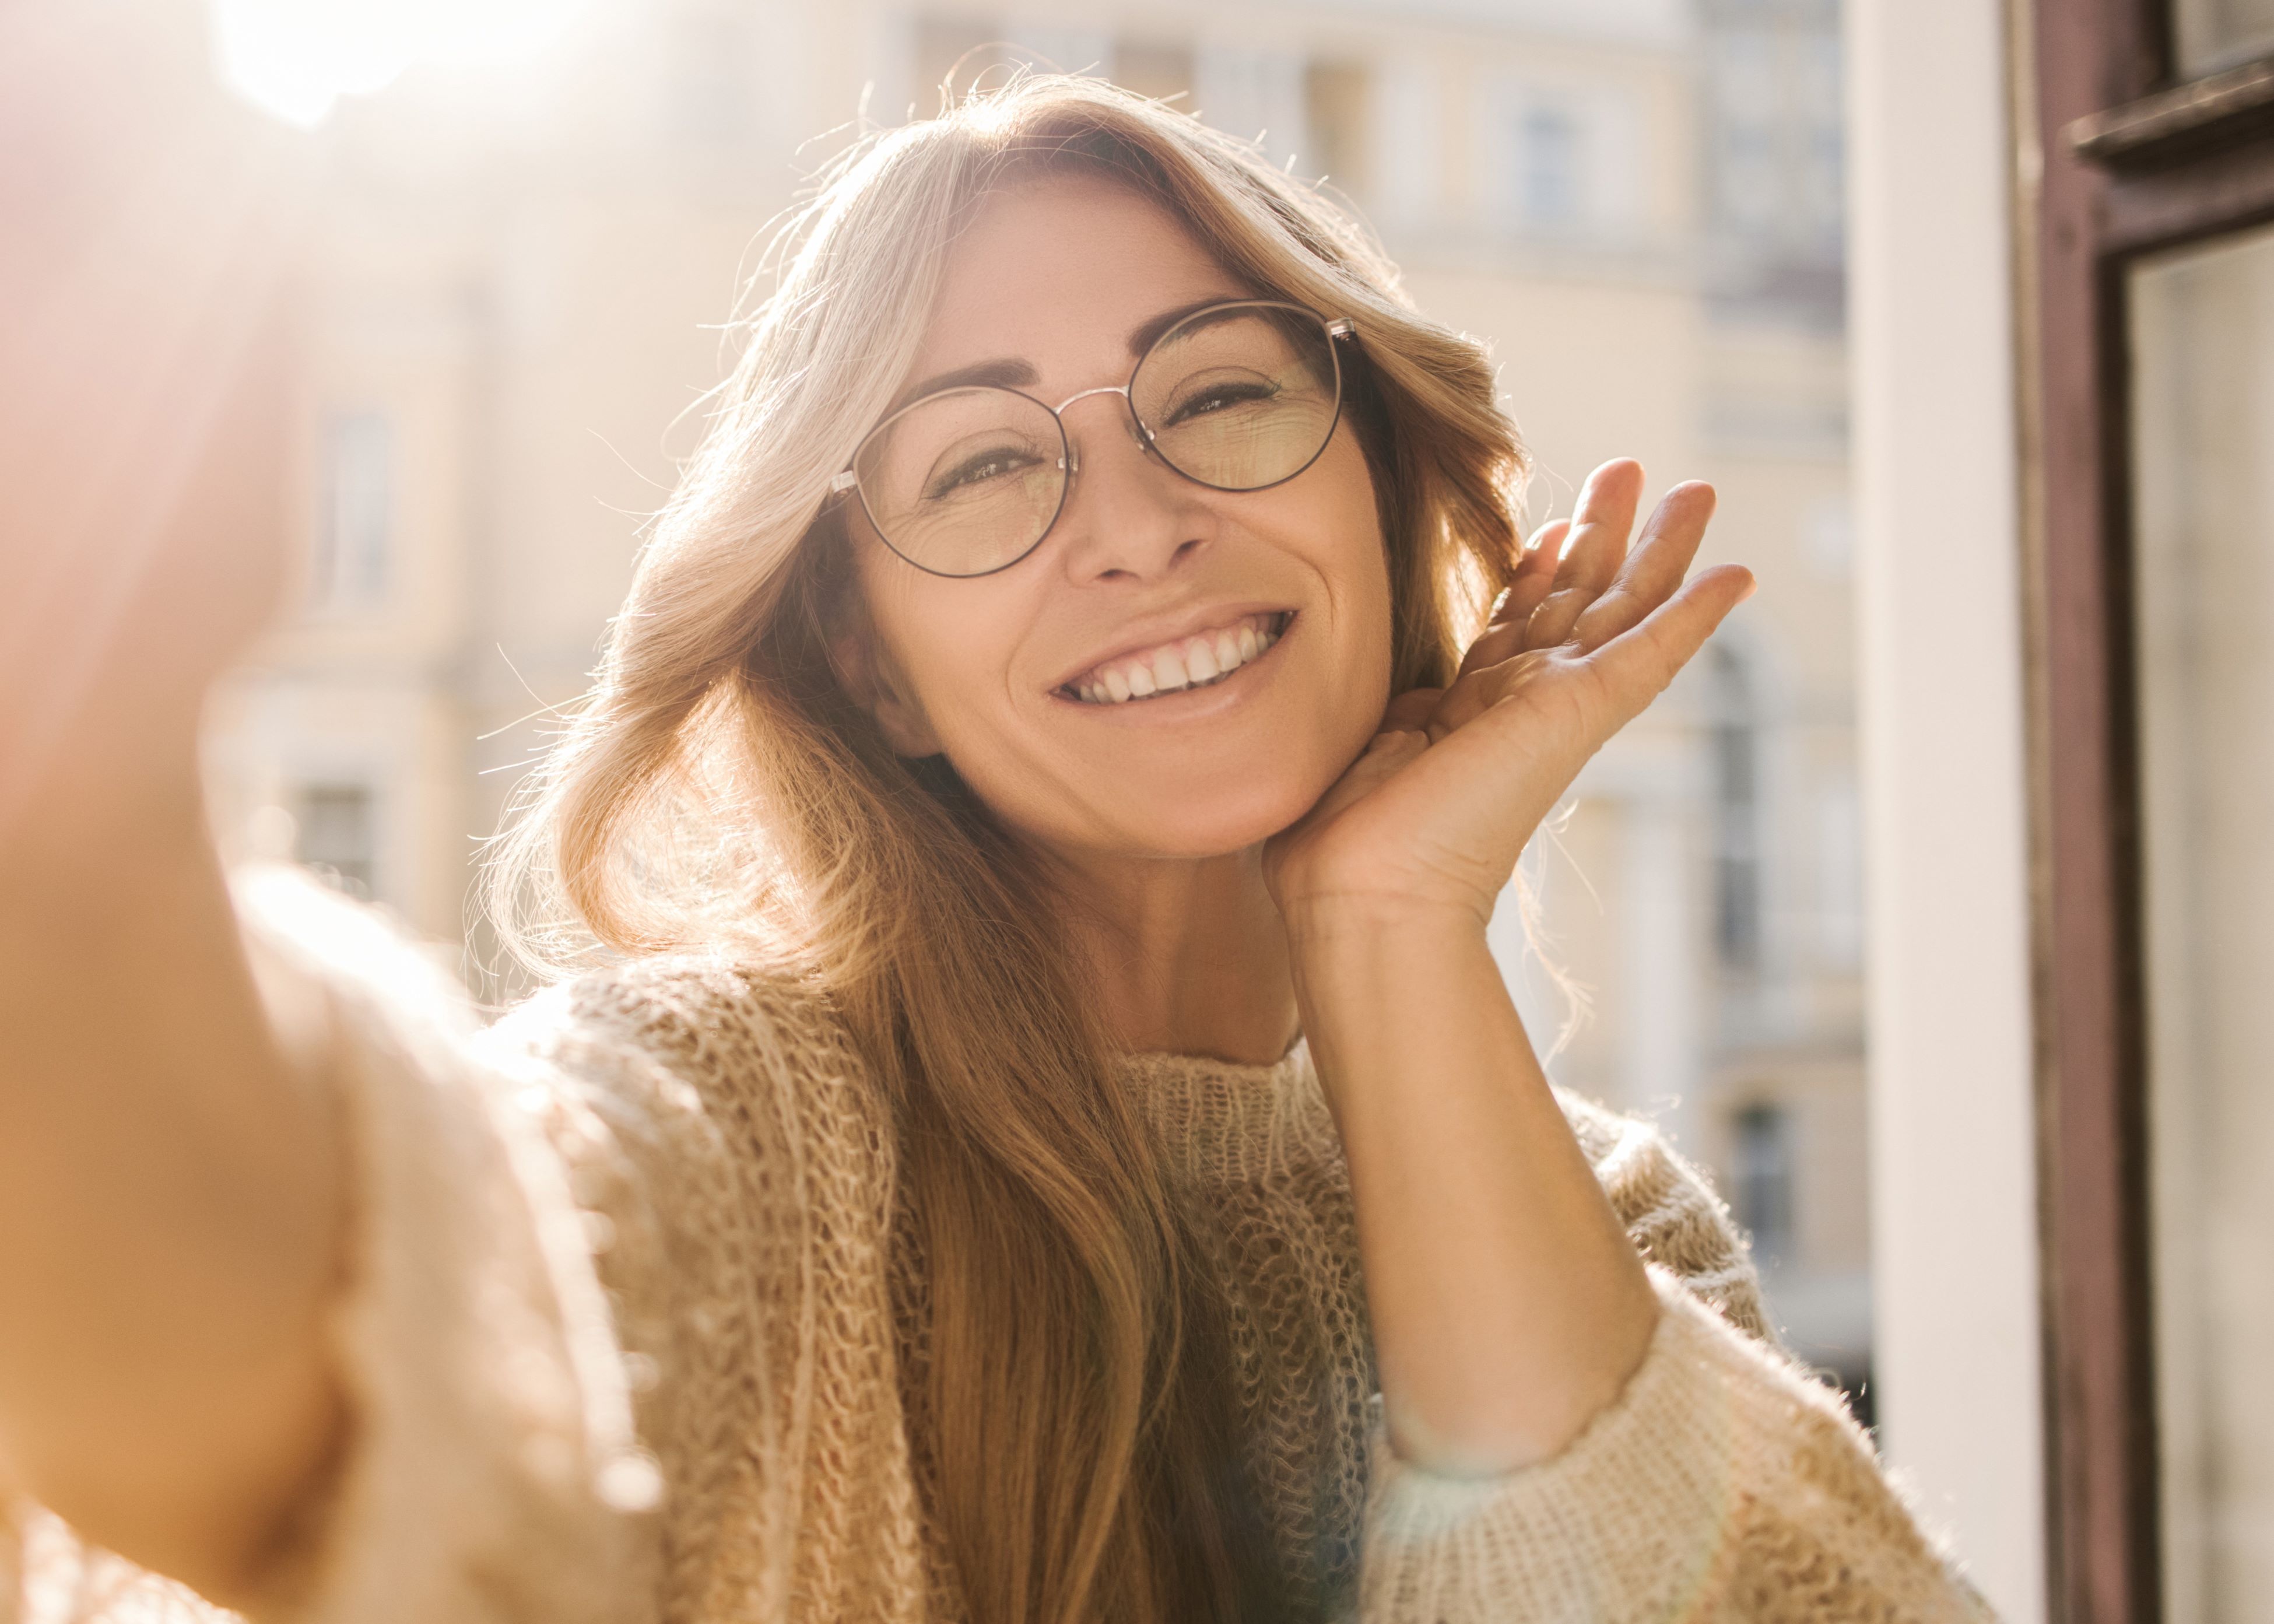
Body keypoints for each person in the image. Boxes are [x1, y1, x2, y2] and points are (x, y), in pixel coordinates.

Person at [0, 53, 1989, 1624]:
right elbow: (292, 1395)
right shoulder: (742, 1128)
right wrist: (89, 736)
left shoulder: (1617, 1227)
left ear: (1379, 494)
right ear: (867, 664)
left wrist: (1393, 926)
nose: (1127, 522)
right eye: (978, 462)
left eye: (1214, 395)